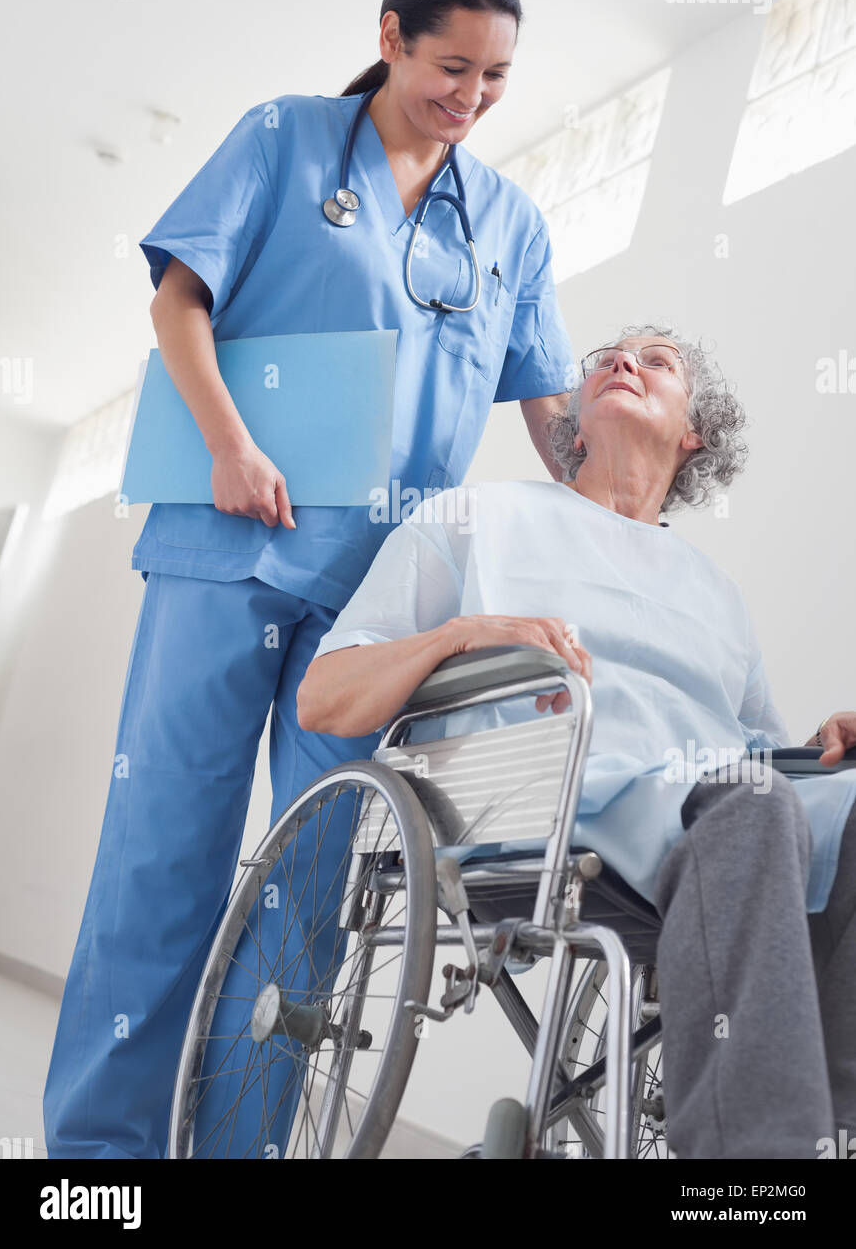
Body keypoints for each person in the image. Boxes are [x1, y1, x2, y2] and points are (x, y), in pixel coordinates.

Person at [43, 0, 576, 1159]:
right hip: (228, 544)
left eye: (495, 79)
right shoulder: (284, 139)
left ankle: (240, 1150)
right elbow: (178, 299)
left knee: (310, 898)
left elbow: (553, 422)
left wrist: (642, 460)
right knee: (161, 859)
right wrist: (229, 444)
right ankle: (101, 1161)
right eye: (452, 67)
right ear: (390, 36)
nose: (472, 98)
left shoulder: (510, 226)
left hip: (373, 603)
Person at [297, 324, 856, 1159]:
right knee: (751, 806)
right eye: (607, 359)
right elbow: (323, 696)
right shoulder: (481, 515)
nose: (622, 362)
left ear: (695, 433)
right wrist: (462, 634)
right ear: (576, 420)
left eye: (656, 361)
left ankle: (830, 1132)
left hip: (711, 814)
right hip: (539, 801)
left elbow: (762, 763)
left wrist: (822, 748)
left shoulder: (715, 593)